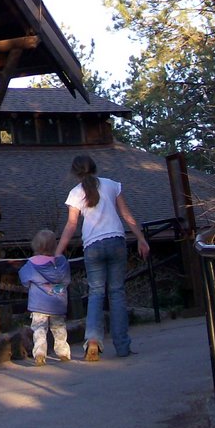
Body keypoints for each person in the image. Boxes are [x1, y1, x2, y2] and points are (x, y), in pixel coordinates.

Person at [56, 153, 150, 361]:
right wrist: (141, 239)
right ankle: (122, 346)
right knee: (117, 293)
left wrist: (58, 251)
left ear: (75, 172)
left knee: (96, 293)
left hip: (93, 245)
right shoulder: (111, 185)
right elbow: (126, 215)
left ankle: (92, 341)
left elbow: (72, 225)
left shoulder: (75, 193)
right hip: (116, 241)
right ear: (95, 167)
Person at [19, 227, 71, 365]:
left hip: (39, 304)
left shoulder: (32, 264)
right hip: (58, 304)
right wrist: (55, 289)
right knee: (59, 327)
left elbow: (24, 279)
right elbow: (66, 281)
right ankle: (63, 352)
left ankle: (40, 352)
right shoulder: (62, 263)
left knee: (39, 329)